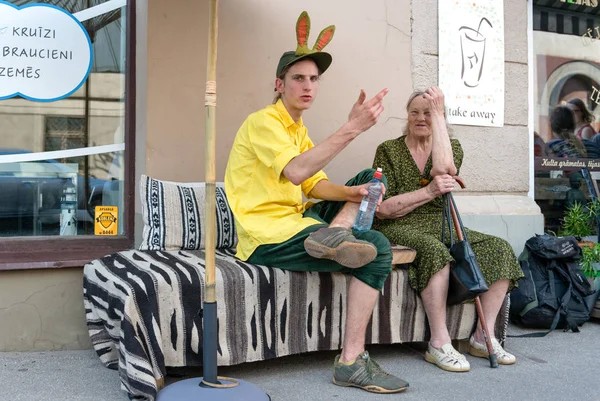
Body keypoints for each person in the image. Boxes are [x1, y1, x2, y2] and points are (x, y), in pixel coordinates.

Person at [224, 11, 409, 393]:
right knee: (376, 248)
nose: (308, 86)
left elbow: (315, 184)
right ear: (279, 84)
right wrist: (353, 127)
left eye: (314, 79)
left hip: (301, 222)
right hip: (266, 236)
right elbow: (295, 173)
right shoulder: (263, 122)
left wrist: (353, 195)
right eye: (298, 79)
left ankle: (335, 234)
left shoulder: (298, 129)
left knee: (370, 179)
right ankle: (351, 362)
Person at [371, 87, 524, 372]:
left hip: (440, 222)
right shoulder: (388, 150)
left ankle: (483, 336)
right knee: (434, 250)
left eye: (428, 113)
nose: (420, 118)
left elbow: (442, 169)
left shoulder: (451, 147)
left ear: (440, 117)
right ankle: (439, 342)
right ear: (407, 116)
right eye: (414, 112)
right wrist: (428, 191)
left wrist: (439, 117)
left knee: (499, 248)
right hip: (399, 224)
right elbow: (383, 209)